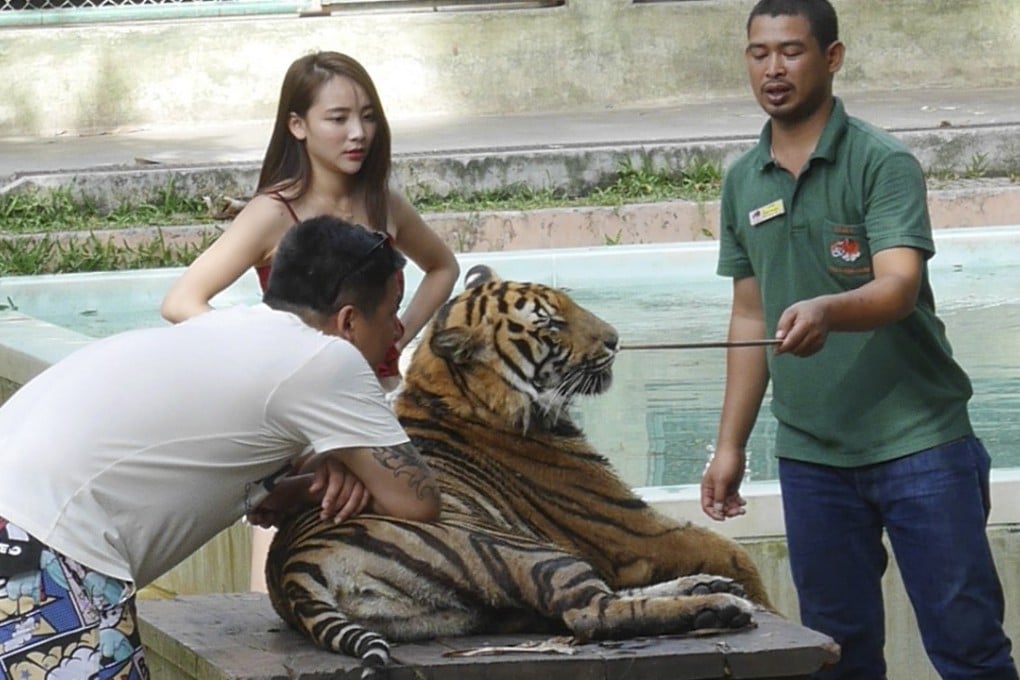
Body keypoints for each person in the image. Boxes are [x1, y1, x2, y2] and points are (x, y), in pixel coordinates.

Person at [699, 1, 1018, 678]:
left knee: (969, 647)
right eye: (759, 53)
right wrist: (728, 446)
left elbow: (898, 286)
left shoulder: (883, 162)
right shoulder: (741, 180)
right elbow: (751, 317)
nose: (773, 68)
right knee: (834, 654)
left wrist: (827, 310)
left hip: (920, 443)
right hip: (812, 456)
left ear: (832, 58)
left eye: (791, 51)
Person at [0, 216, 441, 680]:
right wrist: (344, 471)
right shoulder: (327, 358)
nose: (397, 329)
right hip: (45, 548)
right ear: (349, 320)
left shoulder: (229, 332)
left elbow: (216, 466)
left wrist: (305, 482)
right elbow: (417, 499)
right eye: (392, 310)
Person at [160, 50, 459, 390]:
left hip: (382, 395)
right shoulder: (273, 211)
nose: (358, 133)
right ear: (297, 125)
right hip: (305, 400)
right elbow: (180, 302)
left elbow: (443, 267)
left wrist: (397, 339)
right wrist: (262, 352)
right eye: (338, 119)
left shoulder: (385, 203)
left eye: (368, 117)